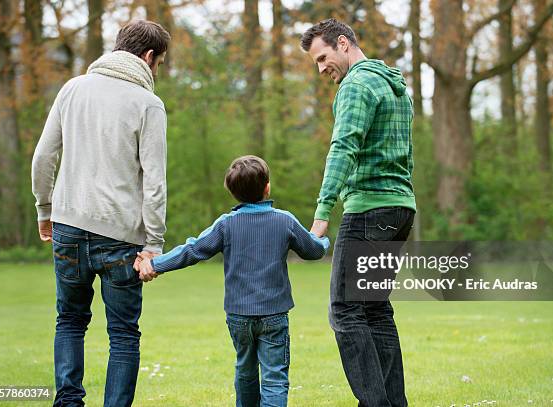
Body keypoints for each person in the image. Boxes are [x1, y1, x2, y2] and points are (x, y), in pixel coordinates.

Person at [31, 20, 171, 407]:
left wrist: (45, 208)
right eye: (157, 63)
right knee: (124, 334)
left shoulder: (73, 89)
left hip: (68, 227)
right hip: (122, 237)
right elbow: (154, 182)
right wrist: (154, 243)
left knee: (70, 321)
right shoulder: (148, 104)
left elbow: (44, 157)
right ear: (148, 57)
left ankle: (69, 402)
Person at [137, 155, 330, 407]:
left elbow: (192, 250)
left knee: (246, 372)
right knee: (274, 378)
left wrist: (154, 263)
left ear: (231, 192)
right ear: (267, 187)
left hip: (238, 315)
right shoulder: (285, 221)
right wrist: (321, 239)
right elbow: (313, 251)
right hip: (274, 314)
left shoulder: (226, 224)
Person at [301, 18, 416, 407]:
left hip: (369, 210)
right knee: (375, 311)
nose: (321, 69)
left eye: (323, 57)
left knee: (345, 311)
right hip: (400, 208)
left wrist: (321, 212)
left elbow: (343, 148)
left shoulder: (356, 85)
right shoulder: (396, 86)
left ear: (344, 44)